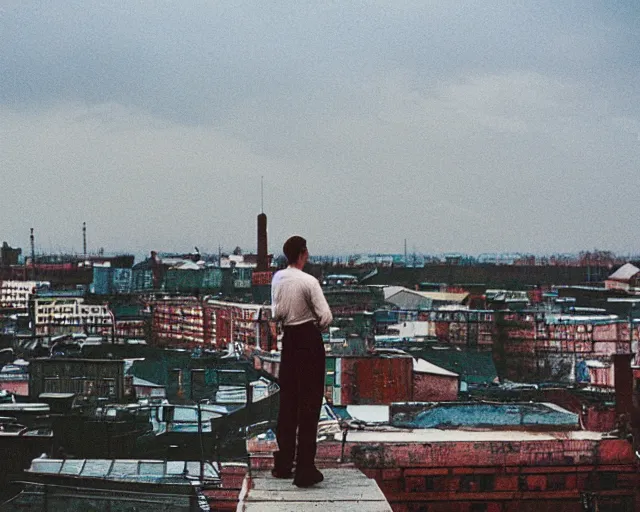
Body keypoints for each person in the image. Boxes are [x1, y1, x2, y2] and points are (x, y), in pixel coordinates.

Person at [270, 236, 333, 487]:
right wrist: (316, 324)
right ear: (303, 254)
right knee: (309, 405)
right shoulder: (309, 281)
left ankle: (283, 464)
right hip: (309, 340)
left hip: (289, 343)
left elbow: (277, 313)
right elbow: (326, 317)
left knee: (288, 404)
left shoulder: (278, 278)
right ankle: (305, 469)